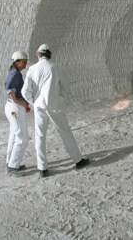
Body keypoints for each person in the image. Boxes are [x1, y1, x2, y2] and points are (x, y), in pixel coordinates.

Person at [22, 44, 89, 177]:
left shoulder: (33, 69)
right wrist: (61, 100)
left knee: (40, 136)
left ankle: (42, 168)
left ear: (38, 55)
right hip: (55, 106)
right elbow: (65, 86)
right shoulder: (56, 67)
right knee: (65, 132)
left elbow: (25, 91)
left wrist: (33, 102)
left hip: (40, 107)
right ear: (49, 54)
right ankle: (78, 160)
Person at [5, 50, 31, 177]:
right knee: (22, 137)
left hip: (13, 107)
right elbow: (9, 87)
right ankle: (12, 166)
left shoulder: (15, 73)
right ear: (17, 62)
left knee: (14, 135)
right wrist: (17, 101)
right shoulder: (14, 74)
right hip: (14, 108)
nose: (25, 63)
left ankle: (10, 162)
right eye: (24, 61)